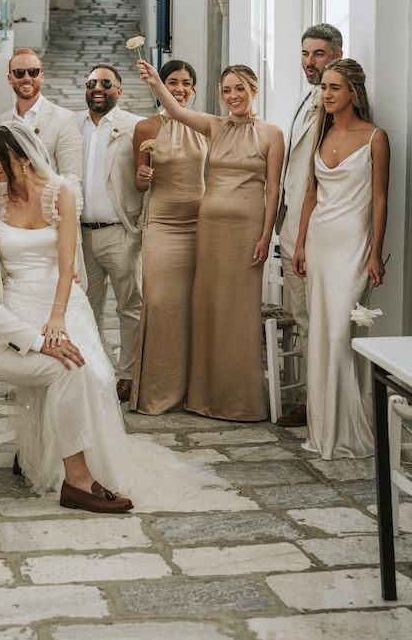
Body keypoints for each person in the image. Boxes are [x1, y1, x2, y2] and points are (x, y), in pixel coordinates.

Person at [0, 137, 132, 513]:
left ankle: (64, 465)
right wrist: (37, 340)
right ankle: (77, 481)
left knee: (74, 361)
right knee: (67, 366)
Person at [138, 60, 284, 422]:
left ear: (253, 90)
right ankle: (203, 398)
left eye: (240, 89)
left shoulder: (272, 134)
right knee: (208, 310)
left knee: (237, 314)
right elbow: (174, 109)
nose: (233, 96)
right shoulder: (215, 126)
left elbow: (276, 188)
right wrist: (155, 81)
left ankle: (238, 401)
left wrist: (267, 235)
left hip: (246, 233)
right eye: (226, 90)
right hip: (209, 231)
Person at [292, 59, 389, 460]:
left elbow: (380, 200)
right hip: (318, 242)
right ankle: (322, 428)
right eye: (324, 88)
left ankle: (347, 430)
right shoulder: (322, 131)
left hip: (352, 245)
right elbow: (311, 195)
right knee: (320, 334)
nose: (326, 94)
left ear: (353, 92)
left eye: (334, 88)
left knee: (338, 336)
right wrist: (298, 244)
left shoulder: (376, 137)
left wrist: (375, 253)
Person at [276, 24, 343, 428]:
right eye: (305, 53)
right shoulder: (307, 96)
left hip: (317, 230)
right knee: (301, 318)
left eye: (318, 54)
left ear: (337, 52)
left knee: (320, 321)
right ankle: (307, 399)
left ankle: (324, 404)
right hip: (291, 228)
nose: (309, 62)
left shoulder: (337, 103)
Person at [130, 60, 207, 414]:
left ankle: (196, 389)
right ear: (161, 84)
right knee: (160, 302)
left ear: (194, 88)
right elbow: (138, 183)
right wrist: (144, 177)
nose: (179, 88)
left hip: (202, 224)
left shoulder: (206, 126)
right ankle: (159, 388)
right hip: (162, 223)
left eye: (186, 83)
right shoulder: (145, 126)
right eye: (172, 81)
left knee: (197, 304)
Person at [74, 64, 143, 402]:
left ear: (120, 89)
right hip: (80, 235)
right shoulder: (73, 125)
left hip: (120, 232)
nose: (97, 88)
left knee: (130, 306)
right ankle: (97, 370)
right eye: (91, 83)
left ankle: (128, 374)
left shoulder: (134, 127)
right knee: (87, 307)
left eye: (105, 83)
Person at [0, 48, 82, 187]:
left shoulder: (64, 119)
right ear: (10, 78)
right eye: (19, 73)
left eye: (33, 72)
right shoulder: (0, 123)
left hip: (49, 205)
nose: (27, 78)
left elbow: (71, 178)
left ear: (42, 76)